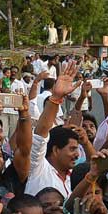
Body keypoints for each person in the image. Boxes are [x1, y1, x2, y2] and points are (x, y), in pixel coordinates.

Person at [25, 62, 80, 197]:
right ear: (55, 150)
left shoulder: (70, 177)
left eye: (77, 149)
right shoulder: (38, 168)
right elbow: (40, 135)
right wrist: (56, 99)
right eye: (72, 149)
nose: (77, 155)